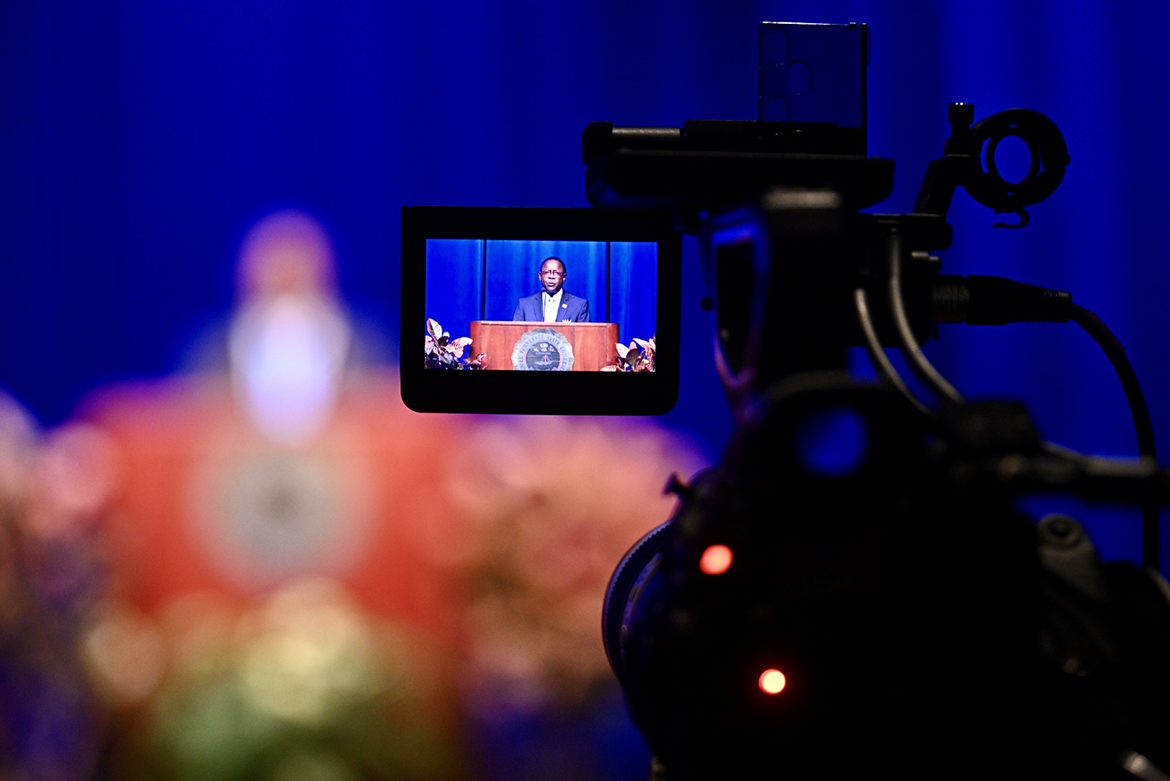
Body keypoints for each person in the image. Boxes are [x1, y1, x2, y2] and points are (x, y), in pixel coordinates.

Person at [512, 257, 590, 323]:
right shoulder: (525, 304)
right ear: (540, 276)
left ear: (564, 277)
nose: (551, 277)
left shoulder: (579, 305)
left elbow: (584, 336)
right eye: (546, 273)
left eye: (556, 273)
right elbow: (516, 334)